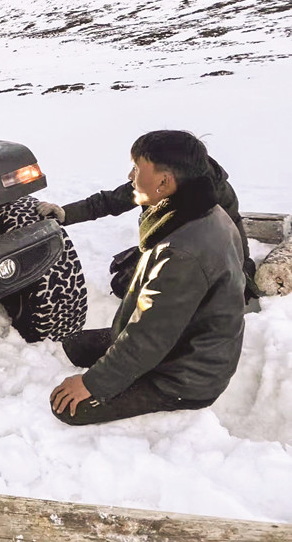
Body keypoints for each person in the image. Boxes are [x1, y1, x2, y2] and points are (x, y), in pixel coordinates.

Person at [50, 130, 245, 425]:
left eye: (137, 169)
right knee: (73, 345)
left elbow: (150, 338)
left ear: (164, 182)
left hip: (186, 376)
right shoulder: (196, 206)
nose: (130, 177)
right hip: (181, 338)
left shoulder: (182, 253)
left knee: (66, 407)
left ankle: (167, 391)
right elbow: (157, 319)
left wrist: (92, 384)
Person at [37, 151, 258, 302]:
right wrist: (66, 213)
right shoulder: (154, 185)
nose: (130, 176)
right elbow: (109, 201)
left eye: (137, 169)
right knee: (123, 285)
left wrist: (241, 273)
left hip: (198, 265)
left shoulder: (215, 200)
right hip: (170, 252)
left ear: (166, 176)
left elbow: (232, 239)